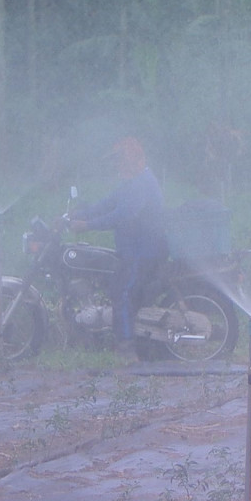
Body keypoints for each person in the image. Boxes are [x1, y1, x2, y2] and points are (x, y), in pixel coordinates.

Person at [69, 137, 168, 359]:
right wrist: (77, 214)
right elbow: (107, 203)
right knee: (116, 288)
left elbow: (123, 215)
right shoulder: (131, 183)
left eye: (120, 159)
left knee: (122, 293)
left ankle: (126, 349)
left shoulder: (142, 183)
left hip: (144, 252)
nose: (117, 164)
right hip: (133, 250)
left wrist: (87, 225)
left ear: (132, 159)